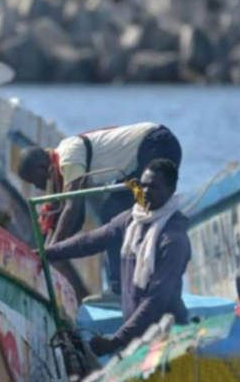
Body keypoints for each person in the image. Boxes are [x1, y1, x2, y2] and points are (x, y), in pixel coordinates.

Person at [44, 159, 190, 356]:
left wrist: (116, 340)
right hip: (138, 338)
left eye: (153, 187)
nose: (145, 192)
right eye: (143, 185)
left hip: (167, 339)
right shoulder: (132, 219)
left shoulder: (173, 240)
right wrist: (46, 253)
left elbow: (156, 300)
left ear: (171, 191)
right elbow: (89, 241)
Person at [18, 123, 182, 296]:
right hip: (144, 156)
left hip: (158, 145)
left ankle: (124, 289)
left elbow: (72, 207)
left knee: (118, 212)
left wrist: (49, 253)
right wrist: (44, 253)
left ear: (42, 167)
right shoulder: (61, 164)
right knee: (115, 213)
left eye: (34, 180)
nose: (37, 186)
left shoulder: (68, 157)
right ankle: (128, 286)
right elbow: (71, 220)